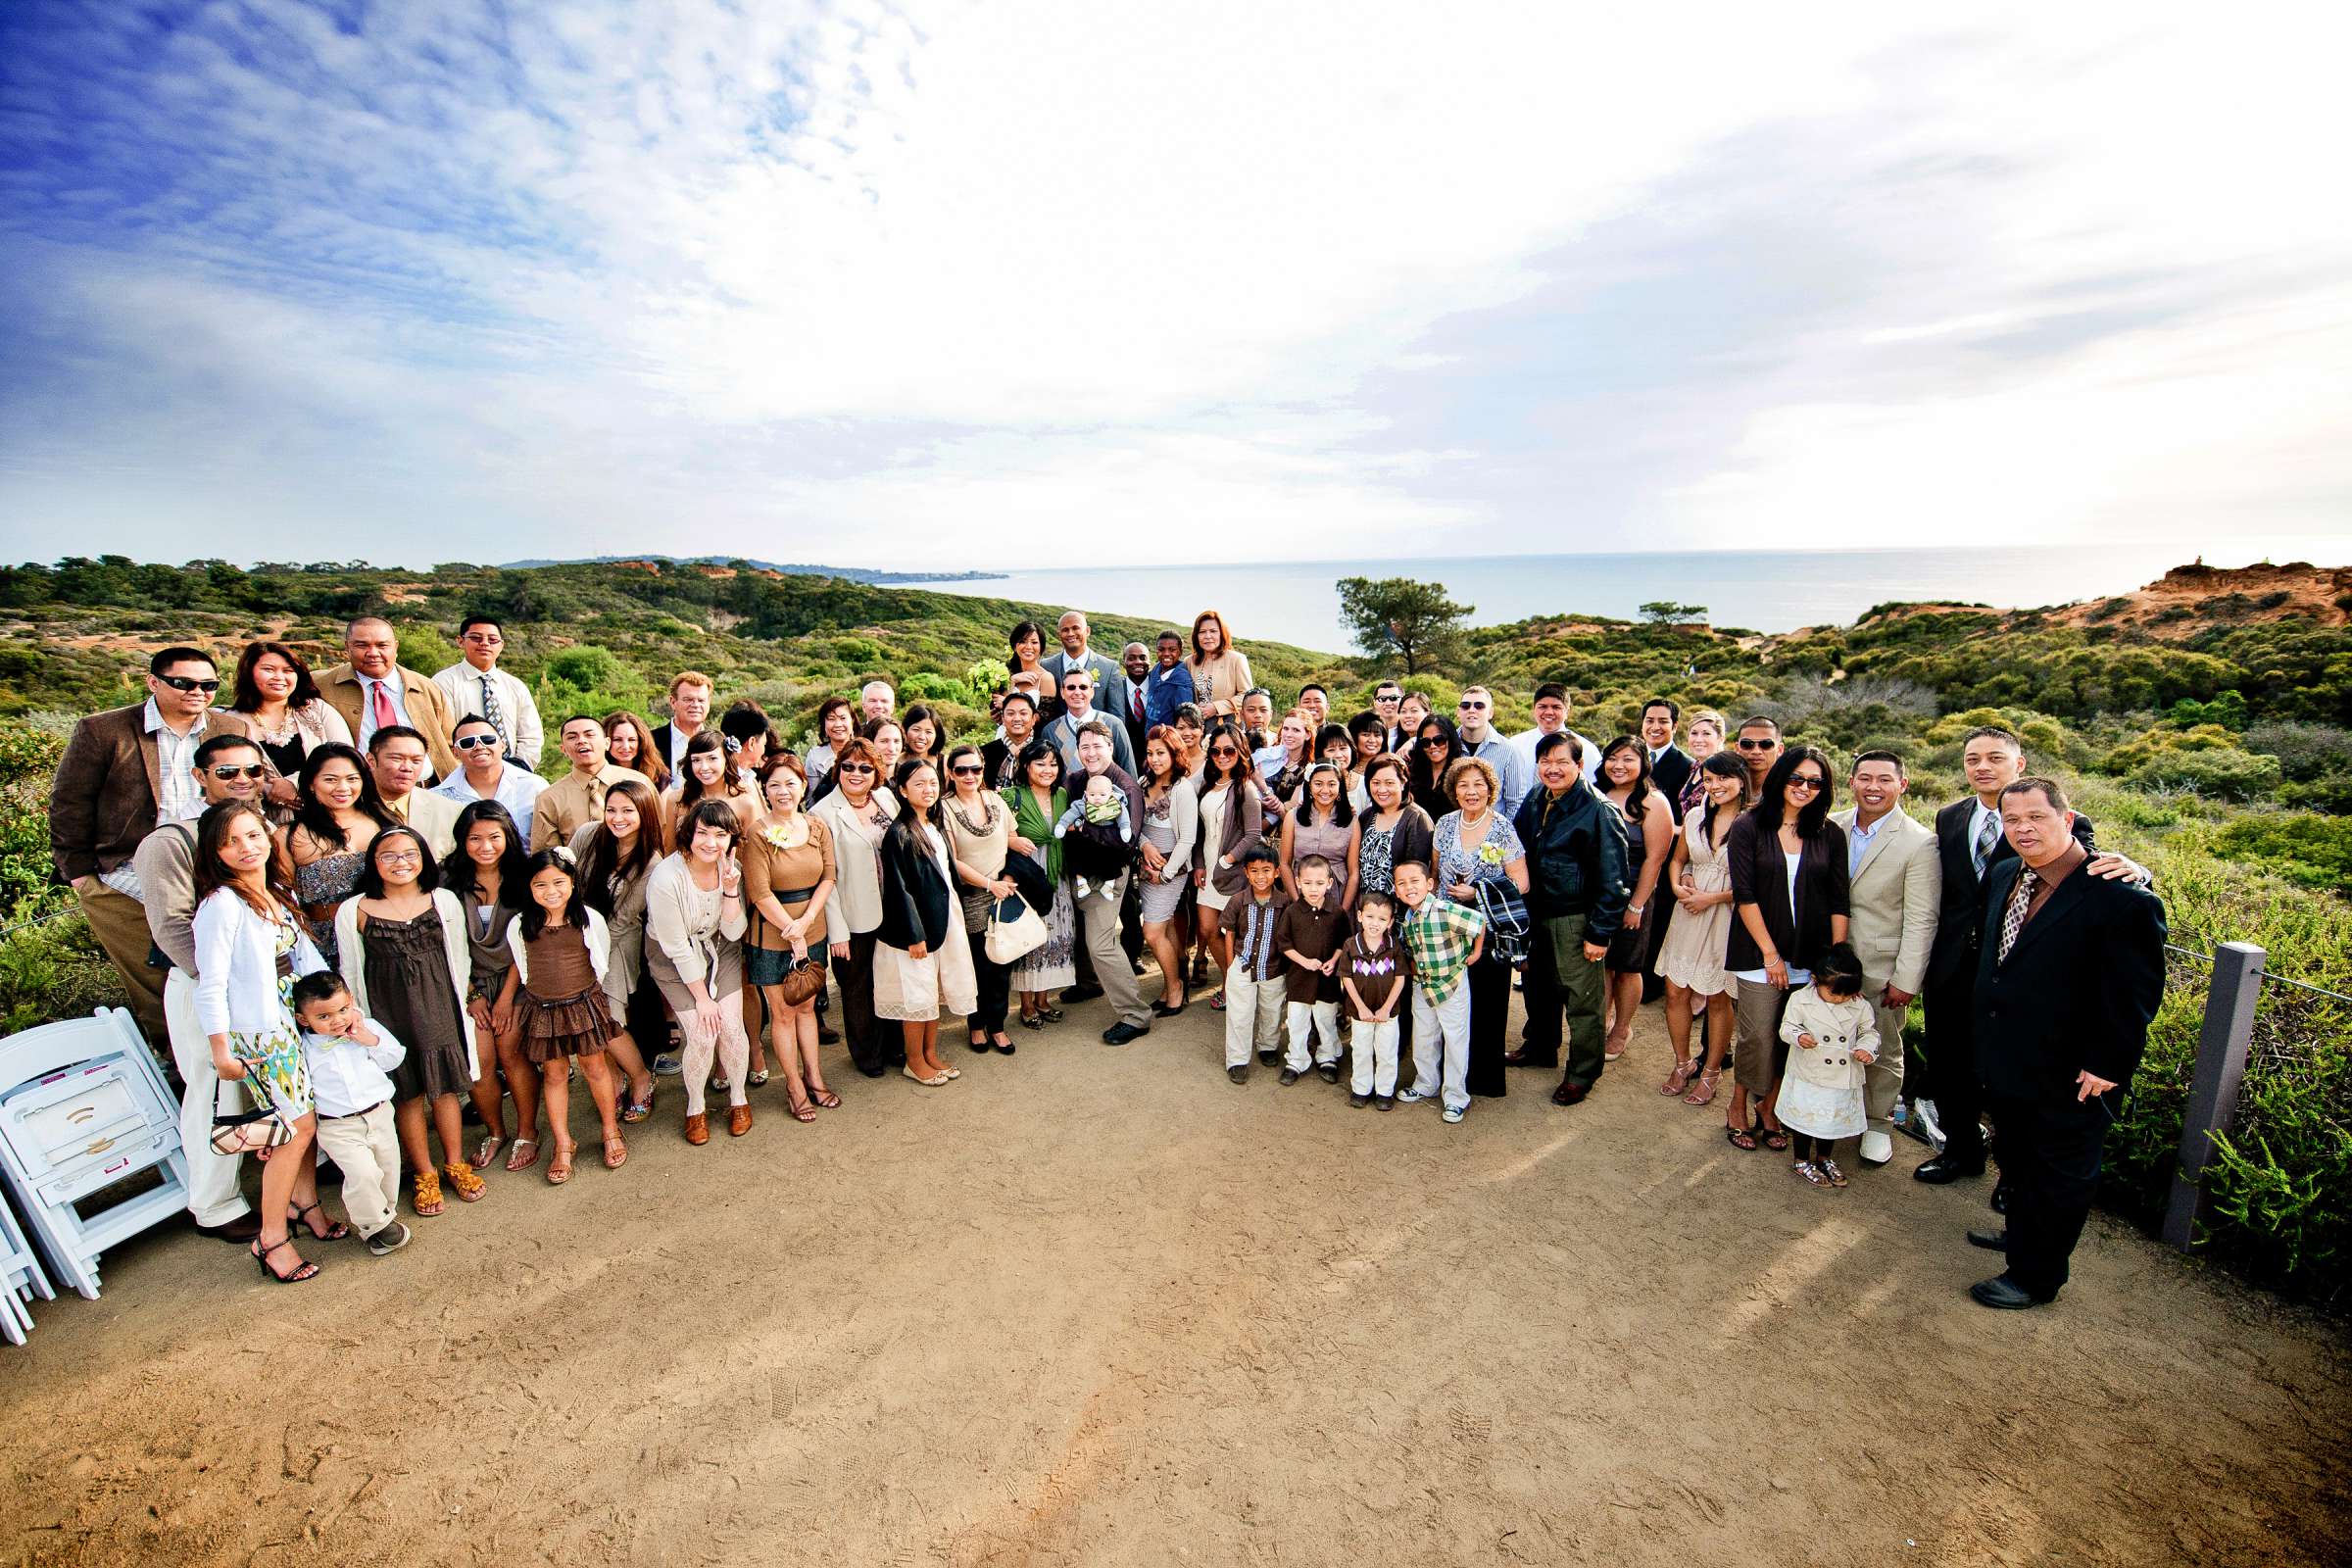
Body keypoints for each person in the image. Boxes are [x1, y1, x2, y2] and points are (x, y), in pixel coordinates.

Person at [1965, 777, 2166, 1310]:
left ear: (2068, 817)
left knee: (2060, 1173)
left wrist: (2106, 1063)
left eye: (2037, 817)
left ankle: (2035, 1277)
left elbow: (2135, 996)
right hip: (2008, 1057)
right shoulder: (2008, 872)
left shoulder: (2121, 898)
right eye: (2012, 820)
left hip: (2075, 1070)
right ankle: (2021, 1238)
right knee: (2017, 1157)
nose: (2023, 829)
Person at [1914, 726, 2133, 1186]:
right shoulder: (1949, 816)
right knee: (1951, 1068)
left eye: (1995, 758)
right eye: (1973, 759)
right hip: (1952, 970)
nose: (1982, 767)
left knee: (2010, 1078)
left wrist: (2139, 871)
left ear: (2019, 765)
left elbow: (2088, 874)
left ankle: (2013, 1182)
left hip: (2015, 974)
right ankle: (1961, 1152)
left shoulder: (2057, 818)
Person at [48, 646, 256, 1044]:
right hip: (130, 865)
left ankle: (238, 1044)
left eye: (208, 684)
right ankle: (178, 1061)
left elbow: (248, 786)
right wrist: (78, 873)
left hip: (212, 855)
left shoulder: (229, 727)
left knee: (227, 952)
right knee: (165, 969)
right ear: (153, 682)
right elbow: (70, 801)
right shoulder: (103, 729)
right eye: (184, 683)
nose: (197, 692)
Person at [133, 732, 276, 1242]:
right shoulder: (171, 841)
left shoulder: (262, 830)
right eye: (227, 772)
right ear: (200, 777)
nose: (242, 781)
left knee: (268, 1079)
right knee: (216, 1092)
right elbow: (171, 926)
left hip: (268, 983)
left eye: (252, 771)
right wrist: (227, 985)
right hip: (204, 985)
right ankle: (215, 1205)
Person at [191, 800, 332, 1282]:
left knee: (307, 1126)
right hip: (263, 1036)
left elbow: (302, 960)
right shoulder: (220, 904)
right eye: (231, 841)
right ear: (214, 851)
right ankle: (271, 1238)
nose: (246, 848)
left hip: (294, 1025)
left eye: (253, 835)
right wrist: (219, 1050)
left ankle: (306, 1204)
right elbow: (210, 984)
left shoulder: (271, 891)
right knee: (294, 1132)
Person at [334, 825, 485, 1217]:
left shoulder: (443, 901)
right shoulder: (355, 910)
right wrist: (360, 1024)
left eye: (409, 854)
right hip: (388, 1014)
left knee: (446, 1090)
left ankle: (455, 1163)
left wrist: (467, 1001)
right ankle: (424, 1172)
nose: (400, 863)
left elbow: (461, 958)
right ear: (374, 863)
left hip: (438, 1006)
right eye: (388, 856)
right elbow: (351, 971)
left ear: (423, 859)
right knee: (407, 1094)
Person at [1722, 748, 1850, 1155]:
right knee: (1757, 1035)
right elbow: (1744, 895)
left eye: (1815, 782)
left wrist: (1836, 959)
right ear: (1780, 778)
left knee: (1789, 1038)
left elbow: (1838, 899)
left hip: (1810, 956)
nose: (1804, 788)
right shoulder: (1749, 825)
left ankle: (1770, 1107)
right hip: (1758, 951)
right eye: (1797, 778)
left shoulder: (1829, 833)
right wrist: (1771, 956)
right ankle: (1737, 1104)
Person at [1831, 751, 1940, 1167]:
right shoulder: (1831, 824)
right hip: (1827, 959)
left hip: (1880, 966)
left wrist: (1907, 979)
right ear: (1852, 782)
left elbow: (1921, 917)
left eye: (1883, 779)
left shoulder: (1919, 841)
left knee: (1882, 1047)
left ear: (1902, 785)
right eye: (1864, 778)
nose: (1873, 787)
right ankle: (1830, 1112)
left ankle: (1877, 1123)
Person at [1509, 733, 1630, 1104]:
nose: (1552, 769)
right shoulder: (1534, 798)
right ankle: (1541, 1047)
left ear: (1580, 766)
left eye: (1562, 762)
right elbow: (1516, 847)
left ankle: (1581, 1072)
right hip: (1536, 911)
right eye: (1546, 761)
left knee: (1582, 999)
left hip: (1575, 917)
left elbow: (1616, 881)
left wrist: (1600, 933)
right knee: (1538, 988)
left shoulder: (1599, 810)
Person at [505, 847, 626, 1180]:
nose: (551, 892)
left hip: (583, 1003)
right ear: (529, 888)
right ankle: (562, 1142)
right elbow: (524, 967)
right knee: (554, 1074)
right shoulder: (520, 925)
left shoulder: (588, 919)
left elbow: (599, 962)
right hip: (544, 1009)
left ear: (572, 882)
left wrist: (585, 997)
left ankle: (610, 1130)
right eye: (540, 885)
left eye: (559, 882)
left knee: (595, 1067)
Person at [647, 800, 755, 1142]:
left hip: (720, 948)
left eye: (720, 834)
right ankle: (696, 1106)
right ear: (688, 834)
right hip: (672, 957)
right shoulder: (667, 876)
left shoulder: (730, 868)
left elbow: (735, 933)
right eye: (702, 832)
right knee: (703, 1033)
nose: (711, 842)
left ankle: (738, 1099)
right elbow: (676, 946)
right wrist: (702, 999)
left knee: (733, 1027)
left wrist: (730, 889)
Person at [742, 756, 841, 1117]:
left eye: (790, 783)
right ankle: (794, 1085)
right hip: (771, 934)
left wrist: (807, 922)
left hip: (812, 928)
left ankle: (815, 1076)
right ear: (765, 791)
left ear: (803, 785)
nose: (783, 791)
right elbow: (759, 891)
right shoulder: (758, 832)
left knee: (807, 1007)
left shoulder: (816, 827)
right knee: (783, 1012)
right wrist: (790, 929)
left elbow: (829, 875)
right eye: (774, 785)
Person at [290, 972, 412, 1256]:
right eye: (324, 1016)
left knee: (387, 1169)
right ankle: (376, 1226)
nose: (337, 1020)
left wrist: (368, 1039)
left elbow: (395, 1056)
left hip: (379, 1113)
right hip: (338, 1126)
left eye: (343, 1010)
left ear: (352, 1002)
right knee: (363, 1173)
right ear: (303, 1019)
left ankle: (384, 1220)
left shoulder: (367, 1028)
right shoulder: (304, 1049)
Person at [875, 758, 977, 1086]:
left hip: (944, 921)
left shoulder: (933, 826)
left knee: (933, 991)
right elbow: (898, 889)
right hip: (916, 931)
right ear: (902, 790)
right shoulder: (899, 833)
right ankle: (914, 1060)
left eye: (932, 782)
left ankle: (931, 1053)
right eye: (918, 783)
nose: (928, 789)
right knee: (917, 998)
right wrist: (913, 935)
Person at [568, 776, 665, 1122]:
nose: (617, 817)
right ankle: (616, 1076)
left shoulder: (651, 862)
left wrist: (589, 957)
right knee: (586, 1015)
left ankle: (641, 1077)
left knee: (607, 1017)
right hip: (574, 935)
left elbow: (624, 919)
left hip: (617, 942)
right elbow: (566, 881)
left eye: (628, 810)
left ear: (644, 814)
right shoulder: (588, 835)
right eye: (612, 809)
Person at [1653, 753, 1747, 1105]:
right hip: (1688, 910)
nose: (1715, 786)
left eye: (1722, 779)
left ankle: (1710, 1073)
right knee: (1675, 992)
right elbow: (1678, 858)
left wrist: (1713, 898)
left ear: (1741, 780)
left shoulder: (1754, 822)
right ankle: (1682, 1062)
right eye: (1708, 780)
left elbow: (1758, 882)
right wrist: (1678, 886)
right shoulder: (1694, 816)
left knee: (1717, 999)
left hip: (1727, 915)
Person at [1433, 755, 1527, 1102]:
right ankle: (1449, 1075)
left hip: (1488, 933)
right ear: (1453, 791)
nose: (1471, 792)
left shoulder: (1502, 826)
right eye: (1463, 785)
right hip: (1447, 931)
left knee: (1486, 1006)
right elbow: (1435, 871)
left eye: (1478, 785)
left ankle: (1484, 1079)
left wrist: (1478, 892)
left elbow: (1522, 882)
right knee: (1452, 1005)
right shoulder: (1444, 824)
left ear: (1490, 789)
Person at [442, 801, 530, 1171]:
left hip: (518, 978)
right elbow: (443, 942)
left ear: (507, 835)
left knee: (511, 1053)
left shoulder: (525, 875)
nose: (485, 846)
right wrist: (473, 995)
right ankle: (496, 1131)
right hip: (466, 981)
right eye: (474, 838)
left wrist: (507, 997)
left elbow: (528, 940)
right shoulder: (446, 880)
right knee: (478, 1061)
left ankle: (528, 1132)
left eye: (494, 836)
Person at [810, 739, 902, 1073]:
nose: (856, 773)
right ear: (838, 769)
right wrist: (837, 931)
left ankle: (895, 1046)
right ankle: (867, 1055)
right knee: (857, 987)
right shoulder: (821, 814)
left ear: (876, 772)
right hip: (851, 916)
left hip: (892, 908)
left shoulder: (887, 800)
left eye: (865, 767)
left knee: (890, 979)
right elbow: (825, 878)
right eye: (848, 766)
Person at [1068, 723, 1152, 1045]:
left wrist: (1082, 830)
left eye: (1097, 746)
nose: (1090, 752)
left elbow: (1124, 843)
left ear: (1111, 747)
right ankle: (1091, 985)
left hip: (1108, 874)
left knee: (1101, 943)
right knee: (1089, 938)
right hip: (1078, 872)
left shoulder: (1125, 786)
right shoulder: (1075, 780)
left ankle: (1135, 1015)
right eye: (1084, 746)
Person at [280, 742, 395, 965]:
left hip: (388, 934)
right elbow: (287, 904)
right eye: (330, 779)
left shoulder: (386, 824)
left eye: (352, 779)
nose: (343, 787)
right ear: (312, 784)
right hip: (325, 943)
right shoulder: (290, 836)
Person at [1776, 944, 1879, 1188]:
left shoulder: (1859, 1005)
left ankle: (1824, 1158)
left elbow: (1869, 1032)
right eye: (1834, 994)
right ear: (1815, 980)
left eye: (1846, 994)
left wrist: (1866, 1049)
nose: (1840, 999)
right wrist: (1799, 1037)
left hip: (1841, 1074)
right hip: (1809, 1071)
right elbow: (1787, 1027)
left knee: (1831, 1118)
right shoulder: (1801, 1000)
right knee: (1806, 1118)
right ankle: (1801, 1160)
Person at [1596, 737, 1673, 1062]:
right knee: (1600, 964)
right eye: (1612, 758)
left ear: (1643, 763)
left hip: (1634, 892)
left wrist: (1636, 905)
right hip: (1598, 894)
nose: (1619, 765)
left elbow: (1655, 860)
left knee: (1626, 967)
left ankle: (1621, 1028)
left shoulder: (1654, 802)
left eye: (1628, 759)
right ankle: (1602, 1021)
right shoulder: (1597, 794)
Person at [938, 745, 1018, 1054]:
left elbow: (1011, 838)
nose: (969, 775)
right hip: (972, 897)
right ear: (950, 773)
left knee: (1001, 966)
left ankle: (997, 1026)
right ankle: (975, 1025)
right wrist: (988, 884)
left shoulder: (995, 799)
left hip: (1003, 894)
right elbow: (950, 859)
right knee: (977, 966)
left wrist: (1008, 878)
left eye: (975, 769)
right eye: (961, 770)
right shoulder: (944, 808)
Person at [1394, 858, 1485, 1125]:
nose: (1409, 888)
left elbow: (1479, 923)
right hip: (1423, 984)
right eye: (1402, 883)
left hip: (1452, 983)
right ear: (1396, 890)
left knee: (1455, 1039)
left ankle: (1456, 1096)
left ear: (1430, 884)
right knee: (1423, 1035)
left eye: (1415, 881)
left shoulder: (1446, 910)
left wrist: (1476, 952)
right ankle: (1426, 1083)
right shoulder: (1407, 919)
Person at [316, 617, 458, 779]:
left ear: (396, 647)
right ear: (347, 647)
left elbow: (452, 744)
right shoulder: (320, 685)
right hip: (356, 791)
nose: (373, 653)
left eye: (382, 645)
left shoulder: (426, 688)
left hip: (425, 791)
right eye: (362, 645)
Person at [221, 641, 351, 809]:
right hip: (258, 819)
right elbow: (226, 774)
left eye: (288, 671)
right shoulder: (230, 722)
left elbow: (346, 758)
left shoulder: (316, 710)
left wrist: (294, 784)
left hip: (325, 812)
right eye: (268, 669)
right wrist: (269, 789)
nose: (279, 677)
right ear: (249, 673)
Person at [1003, 740, 1078, 1028]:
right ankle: (1026, 1005)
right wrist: (1012, 839)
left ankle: (1044, 1000)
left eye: (1053, 763)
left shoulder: (1061, 794)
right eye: (1040, 763)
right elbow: (995, 834)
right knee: (1030, 937)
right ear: (1026, 766)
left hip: (1057, 875)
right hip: (1028, 876)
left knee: (1055, 935)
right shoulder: (1012, 797)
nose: (1048, 769)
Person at [1193, 722, 1266, 1012]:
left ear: (1240, 752)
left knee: (1232, 935)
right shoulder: (1208, 785)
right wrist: (1199, 864)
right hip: (1207, 872)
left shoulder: (1246, 788)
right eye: (1215, 751)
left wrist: (1228, 860)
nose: (1222, 756)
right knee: (1208, 930)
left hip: (1231, 873)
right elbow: (1199, 831)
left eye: (1229, 750)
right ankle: (1228, 980)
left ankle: (1235, 988)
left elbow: (1253, 834)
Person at [1132, 727, 1200, 1016]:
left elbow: (1188, 839)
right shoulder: (1142, 781)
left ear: (1174, 753)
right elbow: (1133, 825)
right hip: (1147, 869)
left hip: (1170, 871)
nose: (1155, 759)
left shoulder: (1183, 789)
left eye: (1161, 752)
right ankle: (1170, 985)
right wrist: (1145, 846)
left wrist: (1167, 873)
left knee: (1152, 930)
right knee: (1168, 926)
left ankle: (1175, 987)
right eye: (1150, 753)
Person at [1275, 854, 1353, 1085]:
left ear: (1329, 883)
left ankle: (1327, 1057)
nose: (1313, 889)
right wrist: (1304, 962)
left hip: (1326, 981)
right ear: (1298, 882)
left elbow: (1344, 943)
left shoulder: (1337, 912)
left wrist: (1333, 960)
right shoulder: (1292, 912)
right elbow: (1284, 944)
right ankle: (1296, 1060)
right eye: (1307, 883)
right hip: (1299, 978)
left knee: (1326, 1020)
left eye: (1319, 883)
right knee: (1297, 1021)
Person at [433, 614, 543, 768]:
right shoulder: (443, 682)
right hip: (463, 773)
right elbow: (443, 736)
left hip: (514, 774)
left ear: (501, 645)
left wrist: (520, 767)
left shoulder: (515, 686)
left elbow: (531, 736)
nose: (485, 643)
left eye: (492, 640)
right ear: (460, 641)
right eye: (476, 638)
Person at [1217, 845, 1288, 1082]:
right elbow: (1228, 932)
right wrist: (1230, 966)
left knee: (1272, 1011)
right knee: (1239, 1014)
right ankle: (1237, 1059)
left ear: (1277, 872)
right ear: (1246, 873)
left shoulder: (1284, 903)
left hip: (1273, 968)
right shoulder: (1238, 900)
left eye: (1266, 870)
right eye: (1254, 871)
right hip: (1242, 966)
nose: (1260, 877)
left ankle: (1267, 1046)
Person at [531, 713, 650, 850]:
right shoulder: (549, 798)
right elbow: (547, 858)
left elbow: (658, 834)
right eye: (572, 737)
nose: (581, 740)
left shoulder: (640, 782)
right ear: (563, 750)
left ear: (607, 743)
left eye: (589, 735)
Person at [1340, 891, 1411, 1109]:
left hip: (1387, 1013)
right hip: (1360, 1012)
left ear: (1390, 922)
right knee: (1361, 1050)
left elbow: (1400, 979)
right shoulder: (1351, 945)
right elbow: (1346, 978)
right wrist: (1360, 1007)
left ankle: (1384, 1091)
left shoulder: (1393, 946)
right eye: (1370, 916)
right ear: (1360, 916)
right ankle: (1361, 1088)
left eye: (1382, 919)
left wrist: (1386, 1008)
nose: (1375, 923)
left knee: (1387, 1051)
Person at [431, 713, 546, 829]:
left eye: (488, 739)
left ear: (502, 745)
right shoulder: (439, 799)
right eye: (468, 743)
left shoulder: (534, 787)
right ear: (455, 752)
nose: (479, 746)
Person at [367, 725, 460, 858]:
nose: (407, 768)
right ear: (371, 760)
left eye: (416, 761)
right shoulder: (351, 808)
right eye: (396, 759)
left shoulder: (449, 811)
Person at [662, 730, 762, 848]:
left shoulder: (744, 803)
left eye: (712, 758)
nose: (704, 767)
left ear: (726, 759)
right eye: (696, 760)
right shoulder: (676, 799)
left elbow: (751, 853)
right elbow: (670, 849)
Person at [1280, 760, 1359, 908]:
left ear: (1340, 787)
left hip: (1336, 895)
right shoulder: (1293, 816)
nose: (1325, 790)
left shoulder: (1351, 821)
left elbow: (1354, 872)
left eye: (1331, 784)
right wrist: (1297, 903)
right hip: (1300, 891)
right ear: (1309, 786)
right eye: (1318, 783)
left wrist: (1342, 910)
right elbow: (1284, 863)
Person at [1508, 682, 1600, 792]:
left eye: (1556, 707)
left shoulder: (1587, 750)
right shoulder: (1514, 745)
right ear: (1534, 709)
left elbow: (1595, 790)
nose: (1549, 712)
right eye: (1543, 707)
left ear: (1567, 711)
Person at [1453, 686, 1530, 816]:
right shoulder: (1445, 745)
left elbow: (1515, 803)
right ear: (1458, 711)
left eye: (1479, 706)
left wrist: (1502, 834)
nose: (1472, 710)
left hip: (1494, 833)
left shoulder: (1509, 751)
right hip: (1453, 832)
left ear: (1490, 713)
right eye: (1466, 706)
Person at [1046, 667, 1135, 775]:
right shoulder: (1050, 731)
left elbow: (1129, 770)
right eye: (1071, 687)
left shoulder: (1113, 724)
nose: (1077, 692)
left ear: (1092, 692)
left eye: (1083, 687)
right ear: (1062, 692)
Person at [1042, 612, 1128, 721]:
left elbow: (1117, 716)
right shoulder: (1046, 666)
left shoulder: (1109, 668)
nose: (1070, 633)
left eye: (1075, 628)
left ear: (1087, 631)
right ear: (1059, 634)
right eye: (1065, 630)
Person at [1183, 611, 1253, 723]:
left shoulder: (1237, 659)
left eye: (1213, 631)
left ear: (1222, 633)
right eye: (1202, 632)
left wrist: (1216, 707)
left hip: (1227, 727)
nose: (1207, 636)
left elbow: (1248, 696)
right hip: (1197, 726)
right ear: (1197, 636)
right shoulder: (1189, 661)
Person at [651, 671, 713, 776]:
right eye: (688, 699)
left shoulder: (719, 744)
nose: (695, 705)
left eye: (701, 700)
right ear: (673, 702)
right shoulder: (650, 741)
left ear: (708, 703)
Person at [1641, 699, 1693, 818]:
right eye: (1649, 721)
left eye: (1663, 722)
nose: (1655, 727)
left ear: (1674, 726)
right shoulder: (1630, 758)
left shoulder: (1687, 766)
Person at [981, 690, 1041, 789]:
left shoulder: (1042, 752)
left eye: (1023, 713)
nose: (1017, 718)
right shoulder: (985, 753)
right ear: (1003, 719)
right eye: (1010, 713)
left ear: (1033, 719)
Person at [601, 709, 670, 793]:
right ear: (605, 741)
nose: (625, 746)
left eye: (632, 740)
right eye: (617, 739)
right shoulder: (596, 774)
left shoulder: (658, 777)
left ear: (641, 741)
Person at [1406, 714, 1458, 821]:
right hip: (1416, 834)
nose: (1432, 746)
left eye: (1439, 740)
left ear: (1450, 739)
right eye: (1426, 742)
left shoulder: (1460, 773)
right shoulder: (1411, 772)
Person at [1140, 632, 1196, 731]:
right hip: (1149, 735)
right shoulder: (1156, 669)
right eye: (1161, 649)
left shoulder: (1182, 682)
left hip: (1167, 740)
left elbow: (1184, 720)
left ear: (1180, 652)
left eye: (1172, 650)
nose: (1166, 653)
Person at [1677, 710, 1727, 820]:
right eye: (1694, 733)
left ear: (1720, 738)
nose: (1698, 739)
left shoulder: (1724, 771)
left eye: (1706, 734)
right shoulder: (1696, 766)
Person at [802, 697, 856, 795]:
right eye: (831, 719)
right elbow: (811, 798)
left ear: (852, 721)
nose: (838, 724)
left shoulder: (864, 751)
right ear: (824, 724)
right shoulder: (815, 756)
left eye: (843, 718)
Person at [1256, 709, 1313, 802]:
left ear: (1307, 735)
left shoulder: (1308, 769)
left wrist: (1261, 784)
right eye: (1285, 729)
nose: (1288, 734)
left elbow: (1292, 809)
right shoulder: (1270, 754)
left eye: (1296, 730)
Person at [720, 701, 780, 780]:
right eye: (764, 744)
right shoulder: (724, 780)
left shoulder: (748, 777)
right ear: (751, 743)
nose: (763, 750)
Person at [1005, 620, 1054, 713]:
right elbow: (999, 708)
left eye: (1034, 642)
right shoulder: (1005, 673)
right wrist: (1012, 680)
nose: (1028, 647)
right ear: (1015, 646)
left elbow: (1045, 717)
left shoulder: (1046, 678)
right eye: (1022, 641)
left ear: (1041, 647)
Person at [1732, 715, 1783, 803]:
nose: (1756, 751)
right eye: (1747, 744)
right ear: (1737, 748)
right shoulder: (1725, 787)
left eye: (1766, 744)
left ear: (1780, 749)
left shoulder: (1789, 790)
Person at [1371, 679, 1409, 754]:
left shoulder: (1411, 730)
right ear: (1375, 703)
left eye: (1393, 698)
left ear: (1403, 700)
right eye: (1382, 699)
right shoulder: (1366, 732)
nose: (1388, 703)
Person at [900, 704, 942, 768]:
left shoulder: (945, 764)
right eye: (916, 730)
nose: (922, 737)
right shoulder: (894, 762)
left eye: (928, 732)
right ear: (904, 731)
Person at [1238, 687, 1277, 752]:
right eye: (1251, 710)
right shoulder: (1233, 742)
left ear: (1271, 714)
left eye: (1263, 710)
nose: (1258, 715)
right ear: (1242, 714)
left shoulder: (1280, 742)